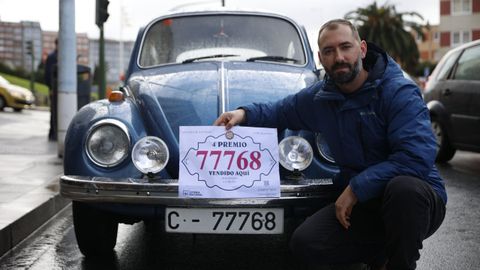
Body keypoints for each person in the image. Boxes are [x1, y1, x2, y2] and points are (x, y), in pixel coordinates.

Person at [214, 19, 446, 270]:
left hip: (415, 203)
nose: (339, 57)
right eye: (329, 51)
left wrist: (356, 188)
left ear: (363, 49)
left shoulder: (398, 91)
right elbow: (279, 111)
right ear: (320, 58)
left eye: (346, 47)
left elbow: (416, 158)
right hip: (364, 206)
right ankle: (379, 253)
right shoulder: (320, 98)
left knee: (404, 190)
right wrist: (242, 114)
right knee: (306, 244)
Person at [44, 39, 58, 141]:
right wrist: (51, 88)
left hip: (58, 88)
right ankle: (52, 133)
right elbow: (48, 74)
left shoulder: (59, 56)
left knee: (56, 110)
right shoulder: (53, 57)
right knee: (54, 110)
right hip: (54, 88)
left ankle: (54, 132)